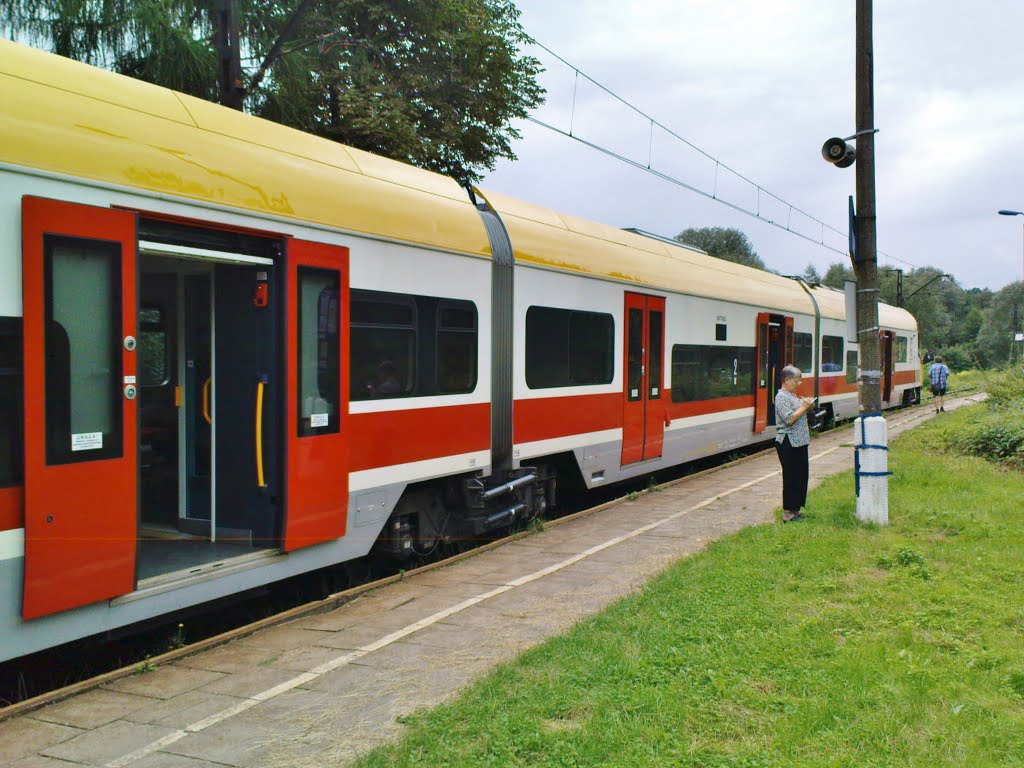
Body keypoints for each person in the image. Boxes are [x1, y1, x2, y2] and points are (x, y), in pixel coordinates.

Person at [774, 365, 816, 523]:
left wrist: (807, 405)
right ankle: (788, 513)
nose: (799, 384)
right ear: (786, 380)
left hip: (799, 442)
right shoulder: (781, 397)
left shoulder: (792, 396)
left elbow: (799, 410)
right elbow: (789, 419)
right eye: (796, 381)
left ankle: (796, 509)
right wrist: (804, 407)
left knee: (800, 476)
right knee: (791, 477)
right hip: (788, 442)